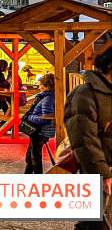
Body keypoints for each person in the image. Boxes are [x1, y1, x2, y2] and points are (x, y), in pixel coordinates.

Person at [65, 47, 112, 230]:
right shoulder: (85, 93)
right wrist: (103, 174)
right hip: (98, 169)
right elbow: (84, 139)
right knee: (93, 224)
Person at [22, 73, 55, 174]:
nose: (39, 87)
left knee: (35, 157)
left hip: (40, 131)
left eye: (40, 85)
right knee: (31, 156)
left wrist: (30, 117)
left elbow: (46, 118)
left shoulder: (47, 99)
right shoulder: (49, 97)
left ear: (47, 87)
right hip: (42, 131)